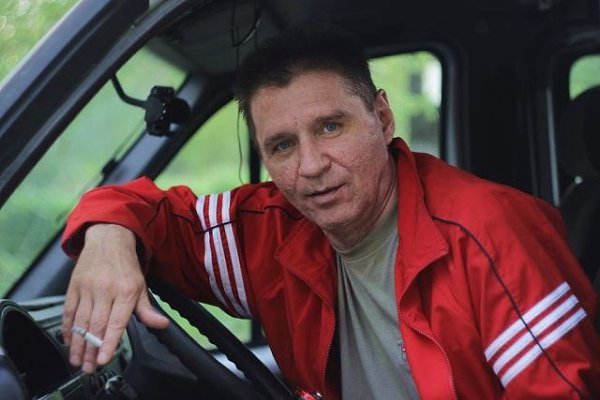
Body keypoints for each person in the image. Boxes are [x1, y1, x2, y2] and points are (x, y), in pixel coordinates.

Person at [61, 24, 600, 399]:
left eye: (330, 127)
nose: (312, 166)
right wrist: (108, 239)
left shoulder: (490, 230)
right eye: (282, 145)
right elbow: (145, 212)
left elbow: (563, 391)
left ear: (382, 119)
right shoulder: (274, 228)